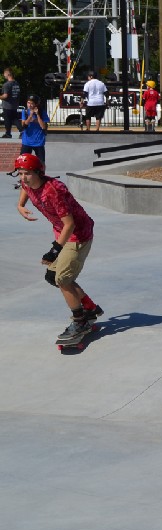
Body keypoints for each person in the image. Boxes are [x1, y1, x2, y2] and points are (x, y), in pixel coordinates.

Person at [13, 153, 105, 342]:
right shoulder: (27, 183)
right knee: (52, 277)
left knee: (62, 279)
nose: (24, 178)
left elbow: (69, 224)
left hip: (78, 235)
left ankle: (79, 322)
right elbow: (25, 188)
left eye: (28, 174)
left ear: (39, 172)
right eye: (20, 173)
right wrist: (20, 205)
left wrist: (54, 250)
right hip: (63, 233)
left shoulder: (52, 191)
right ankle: (90, 307)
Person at [20, 95, 49, 164]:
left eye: (32, 103)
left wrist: (38, 115)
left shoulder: (42, 112)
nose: (29, 105)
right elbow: (24, 125)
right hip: (27, 141)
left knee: (41, 162)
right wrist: (30, 116)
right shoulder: (25, 111)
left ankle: (41, 174)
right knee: (22, 161)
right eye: (28, 103)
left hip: (38, 141)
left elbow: (43, 127)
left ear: (36, 104)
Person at [1, 67, 20, 138]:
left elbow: (5, 96)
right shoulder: (16, 83)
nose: (4, 75)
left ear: (8, 74)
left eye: (4, 74)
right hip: (15, 105)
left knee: (9, 120)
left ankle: (9, 133)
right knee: (14, 119)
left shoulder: (7, 85)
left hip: (7, 105)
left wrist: (0, 97)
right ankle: (9, 133)